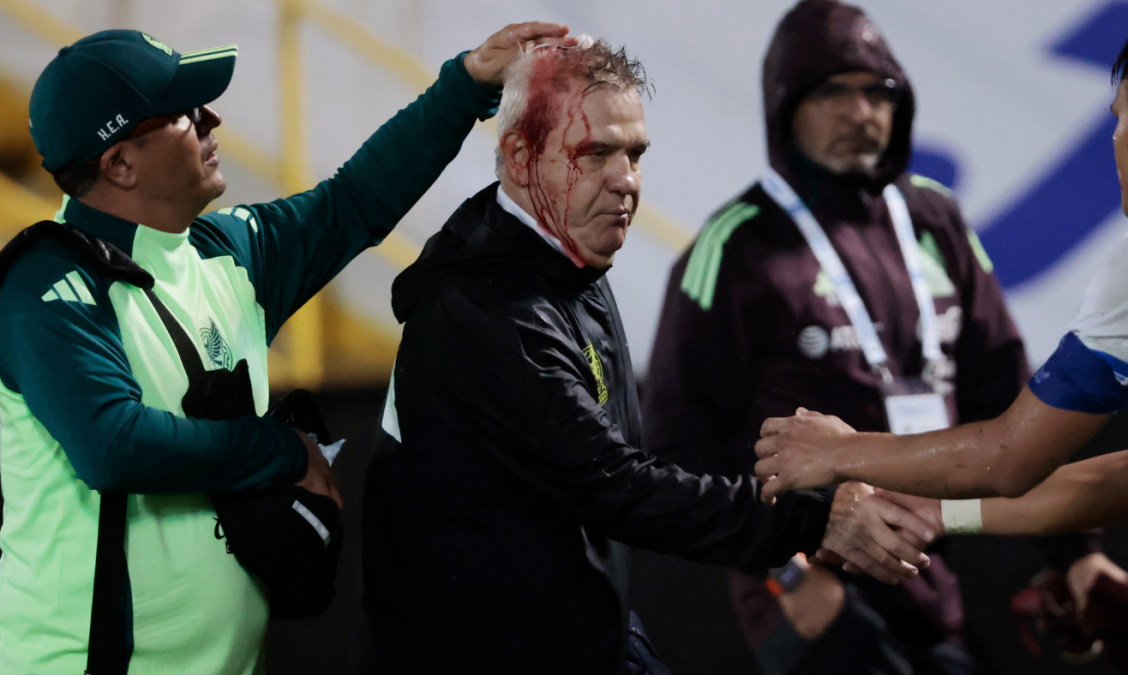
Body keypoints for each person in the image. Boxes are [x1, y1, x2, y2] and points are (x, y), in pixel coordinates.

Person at [0, 23, 572, 674]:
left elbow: (351, 203)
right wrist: (280, 450)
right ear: (120, 163)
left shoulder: (225, 252)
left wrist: (462, 87)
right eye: (185, 112)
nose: (210, 116)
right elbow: (113, 444)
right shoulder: (45, 285)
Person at [361, 36, 936, 675]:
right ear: (520, 158)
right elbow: (619, 488)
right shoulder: (487, 314)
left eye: (635, 153)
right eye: (595, 153)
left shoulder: (565, 257)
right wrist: (813, 519)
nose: (627, 181)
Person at [641, 1, 1114, 673]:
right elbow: (676, 447)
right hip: (809, 591)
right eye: (833, 91)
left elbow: (1006, 394)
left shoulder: (936, 219)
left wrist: (1079, 551)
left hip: (930, 578)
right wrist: (783, 567)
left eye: (876, 92)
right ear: (784, 106)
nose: (860, 112)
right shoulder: (735, 246)